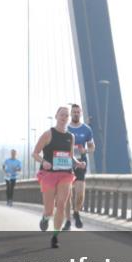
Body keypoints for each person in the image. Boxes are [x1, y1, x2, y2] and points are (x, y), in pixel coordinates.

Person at [33, 106, 86, 248]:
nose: (64, 118)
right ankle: (45, 217)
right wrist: (43, 162)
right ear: (56, 116)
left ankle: (55, 236)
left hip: (65, 174)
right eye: (61, 115)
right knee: (49, 209)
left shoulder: (71, 137)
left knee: (61, 204)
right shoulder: (48, 134)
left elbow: (69, 155)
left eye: (66, 116)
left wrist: (77, 163)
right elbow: (35, 153)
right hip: (49, 174)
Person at [65, 104, 95, 229]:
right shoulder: (65, 128)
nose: (76, 114)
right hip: (66, 163)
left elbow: (92, 147)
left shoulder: (87, 129)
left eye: (78, 112)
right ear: (70, 114)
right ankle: (67, 221)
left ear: (81, 114)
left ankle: (76, 212)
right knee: (67, 194)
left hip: (81, 163)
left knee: (80, 193)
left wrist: (85, 151)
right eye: (74, 112)